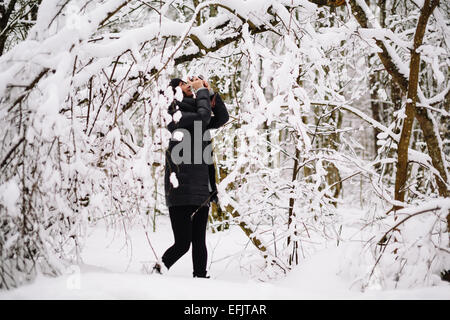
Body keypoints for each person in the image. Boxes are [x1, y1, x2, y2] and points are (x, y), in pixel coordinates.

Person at [153, 76, 229, 278]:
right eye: (182, 84)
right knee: (182, 243)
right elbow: (203, 118)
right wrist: (201, 94)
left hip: (201, 187)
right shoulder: (173, 113)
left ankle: (201, 279)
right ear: (173, 92)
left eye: (188, 83)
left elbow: (221, 118)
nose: (188, 85)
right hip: (179, 188)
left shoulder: (197, 110)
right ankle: (156, 272)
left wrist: (210, 92)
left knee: (199, 241)